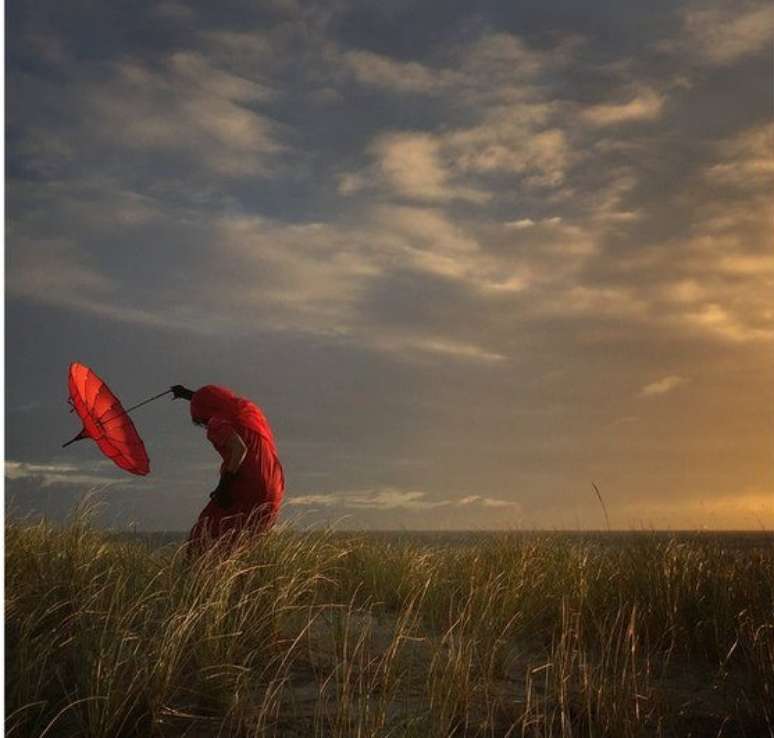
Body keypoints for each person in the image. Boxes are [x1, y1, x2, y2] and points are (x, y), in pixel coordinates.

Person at [171, 383, 285, 550]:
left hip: (246, 485)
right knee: (246, 540)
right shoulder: (248, 411)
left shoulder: (217, 423)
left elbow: (239, 449)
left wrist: (223, 485)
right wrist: (187, 394)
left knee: (204, 534)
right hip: (274, 485)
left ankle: (197, 574)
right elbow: (214, 401)